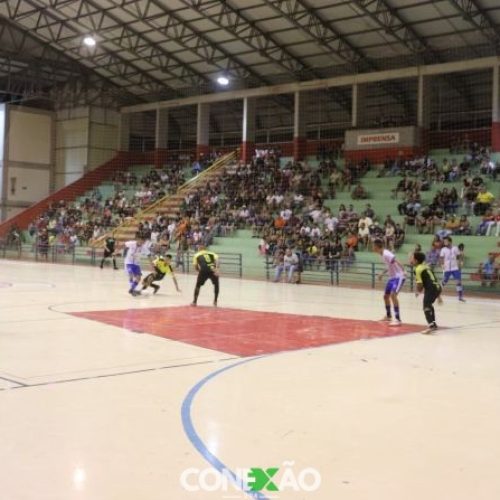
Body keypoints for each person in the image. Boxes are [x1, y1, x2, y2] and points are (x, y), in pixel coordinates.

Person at [373, 239, 406, 326]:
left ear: (377, 246)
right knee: (386, 296)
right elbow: (389, 266)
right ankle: (388, 316)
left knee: (393, 295)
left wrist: (403, 270)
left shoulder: (386, 253)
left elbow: (396, 260)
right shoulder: (382, 254)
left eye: (373, 246)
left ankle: (398, 319)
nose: (373, 248)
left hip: (399, 276)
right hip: (392, 278)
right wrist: (382, 274)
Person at [412, 252, 443, 334]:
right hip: (437, 287)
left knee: (426, 305)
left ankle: (431, 326)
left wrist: (418, 291)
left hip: (431, 288)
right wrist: (439, 295)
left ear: (416, 260)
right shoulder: (426, 266)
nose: (410, 259)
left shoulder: (417, 269)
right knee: (429, 305)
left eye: (412, 258)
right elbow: (434, 279)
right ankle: (434, 324)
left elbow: (420, 284)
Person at [440, 236, 465, 302]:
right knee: (444, 281)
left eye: (446, 241)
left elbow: (459, 256)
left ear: (450, 242)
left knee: (458, 282)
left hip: (455, 268)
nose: (445, 242)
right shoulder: (443, 249)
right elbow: (442, 258)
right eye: (444, 241)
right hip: (447, 268)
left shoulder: (455, 248)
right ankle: (437, 292)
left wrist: (461, 261)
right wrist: (442, 264)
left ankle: (460, 297)